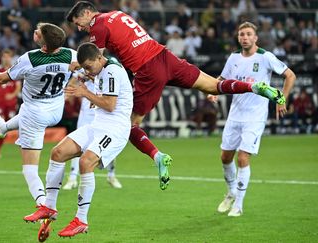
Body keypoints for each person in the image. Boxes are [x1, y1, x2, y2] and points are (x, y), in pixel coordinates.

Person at [66, 1, 286, 190]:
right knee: (212, 85)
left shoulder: (98, 25)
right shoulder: (117, 14)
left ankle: (158, 157)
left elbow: (95, 62)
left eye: (78, 22)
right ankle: (254, 88)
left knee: (128, 124)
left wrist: (79, 70)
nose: (79, 27)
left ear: (87, 12)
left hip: (147, 71)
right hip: (164, 56)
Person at [0, 22, 77, 241]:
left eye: (38, 32)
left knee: (29, 170)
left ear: (44, 42)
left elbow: (3, 78)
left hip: (34, 113)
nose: (35, 32)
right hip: (56, 110)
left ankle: (43, 205)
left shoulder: (30, 58)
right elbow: (86, 67)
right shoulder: (71, 54)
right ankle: (4, 126)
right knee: (25, 114)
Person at [24, 42, 133, 239]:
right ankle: (49, 207)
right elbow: (89, 77)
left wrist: (86, 93)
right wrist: (82, 73)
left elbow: (110, 104)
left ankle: (81, 220)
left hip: (115, 129)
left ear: (100, 58)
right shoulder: (99, 69)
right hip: (98, 125)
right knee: (57, 152)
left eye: (89, 66)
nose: (87, 70)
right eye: (85, 67)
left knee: (85, 162)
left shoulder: (113, 71)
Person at [208, 22, 296, 217]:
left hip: (255, 117)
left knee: (242, 158)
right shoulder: (233, 58)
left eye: (248, 34)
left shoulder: (265, 57)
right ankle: (230, 193)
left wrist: (282, 98)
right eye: (241, 34)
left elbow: (290, 75)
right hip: (235, 115)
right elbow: (221, 80)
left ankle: (238, 205)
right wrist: (213, 92)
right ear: (238, 38)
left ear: (255, 38)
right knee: (225, 157)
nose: (245, 37)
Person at [63, 79, 122, 190]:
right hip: (86, 114)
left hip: (103, 114)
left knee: (109, 144)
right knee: (77, 144)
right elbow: (72, 83)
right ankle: (72, 178)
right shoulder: (84, 67)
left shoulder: (108, 71)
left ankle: (111, 175)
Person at [0, 49, 22, 158]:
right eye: (4, 56)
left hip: (12, 104)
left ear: (11, 58)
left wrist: (12, 95)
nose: (6, 59)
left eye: (8, 57)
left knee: (17, 125)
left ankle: (23, 145)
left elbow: (18, 87)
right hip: (0, 104)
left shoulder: (14, 70)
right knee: (0, 127)